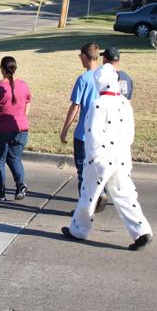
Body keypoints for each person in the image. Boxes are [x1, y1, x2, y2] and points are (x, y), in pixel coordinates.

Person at [61, 64, 153, 251]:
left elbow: (93, 134)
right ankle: (141, 230)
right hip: (121, 156)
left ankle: (79, 229)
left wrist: (92, 158)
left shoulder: (98, 104)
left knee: (88, 195)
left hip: (101, 157)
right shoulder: (124, 103)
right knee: (124, 194)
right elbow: (130, 133)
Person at [0, 56, 32, 201]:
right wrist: (23, 117)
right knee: (15, 157)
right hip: (20, 128)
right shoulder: (23, 85)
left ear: (2, 69)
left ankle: (0, 191)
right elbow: (28, 102)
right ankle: (21, 185)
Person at [60, 42, 101, 203]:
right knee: (98, 170)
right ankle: (98, 197)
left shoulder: (83, 79)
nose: (80, 59)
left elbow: (75, 106)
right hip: (102, 135)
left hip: (84, 135)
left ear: (85, 56)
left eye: (80, 56)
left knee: (83, 172)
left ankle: (85, 206)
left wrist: (65, 130)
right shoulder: (105, 77)